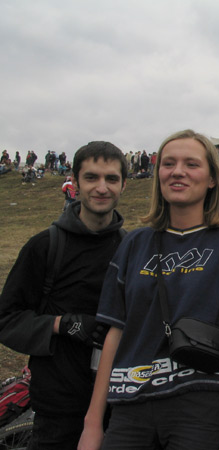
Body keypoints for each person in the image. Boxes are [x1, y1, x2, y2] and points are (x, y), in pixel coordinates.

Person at [78, 130, 219, 450]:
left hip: (199, 407)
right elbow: (115, 333)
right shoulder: (134, 244)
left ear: (212, 179)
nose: (178, 171)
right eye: (168, 163)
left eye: (191, 164)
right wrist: (92, 424)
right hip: (129, 407)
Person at [0, 141, 128, 450]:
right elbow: (7, 319)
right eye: (91, 177)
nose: (102, 188)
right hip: (57, 406)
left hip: (119, 406)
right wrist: (63, 324)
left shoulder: (132, 249)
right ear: (75, 181)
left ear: (123, 184)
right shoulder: (45, 246)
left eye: (111, 179)